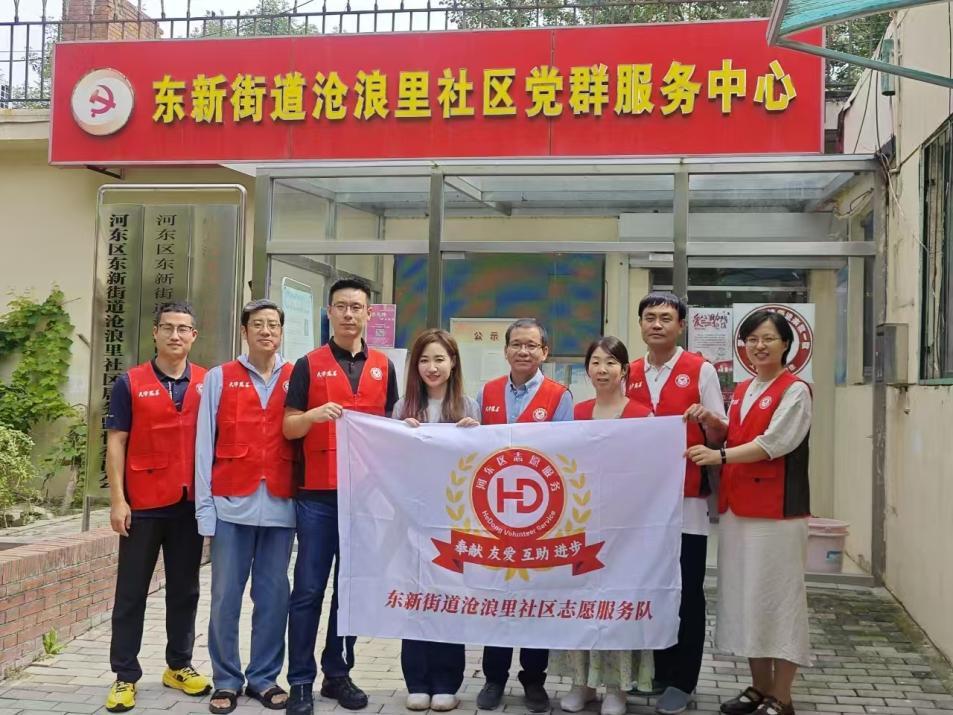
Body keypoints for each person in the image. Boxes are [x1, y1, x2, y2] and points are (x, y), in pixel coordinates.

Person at [685, 310, 812, 715]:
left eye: (768, 338)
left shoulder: (795, 391)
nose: (759, 346)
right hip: (738, 508)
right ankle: (759, 687)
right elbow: (740, 435)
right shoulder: (744, 388)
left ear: (786, 344)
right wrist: (714, 422)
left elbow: (774, 443)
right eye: (752, 339)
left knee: (780, 600)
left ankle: (783, 696)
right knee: (748, 599)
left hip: (777, 513)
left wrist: (719, 455)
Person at [283, 277, 400, 715]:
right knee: (308, 589)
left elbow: (391, 428)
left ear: (369, 313)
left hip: (364, 498)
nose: (349, 314)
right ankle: (300, 680)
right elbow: (288, 426)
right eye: (341, 306)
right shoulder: (307, 365)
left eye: (357, 307)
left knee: (349, 590)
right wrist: (312, 415)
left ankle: (338, 673)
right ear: (329, 312)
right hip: (317, 496)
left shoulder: (384, 367)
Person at [103, 301, 211, 713]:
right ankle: (124, 675)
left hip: (189, 504)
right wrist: (118, 500)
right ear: (155, 332)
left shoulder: (207, 381)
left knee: (185, 590)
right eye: (168, 327)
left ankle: (178, 665)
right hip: (144, 504)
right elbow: (116, 442)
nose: (175, 335)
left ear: (194, 336)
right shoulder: (130, 382)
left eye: (183, 329)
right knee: (131, 592)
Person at [625, 292, 728, 715]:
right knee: (651, 587)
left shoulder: (699, 369)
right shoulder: (629, 371)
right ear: (640, 324)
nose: (657, 324)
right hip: (639, 504)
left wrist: (708, 419)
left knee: (687, 592)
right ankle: (658, 672)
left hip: (686, 500)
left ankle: (683, 681)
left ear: (681, 326)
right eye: (650, 317)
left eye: (666, 318)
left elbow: (721, 435)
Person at [194, 299, 296, 714]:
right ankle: (226, 679)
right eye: (258, 324)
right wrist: (205, 509)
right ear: (244, 330)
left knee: (273, 597)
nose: (266, 331)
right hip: (230, 504)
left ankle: (264, 678)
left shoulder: (297, 376)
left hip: (282, 506)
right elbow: (204, 444)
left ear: (282, 332)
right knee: (225, 597)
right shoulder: (220, 377)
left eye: (273, 325)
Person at [475, 317, 573, 713]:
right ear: (505, 350)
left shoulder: (558, 396)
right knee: (497, 596)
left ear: (544, 352)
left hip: (540, 514)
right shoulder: (487, 392)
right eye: (516, 344)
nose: (523, 351)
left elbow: (566, 455)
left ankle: (534, 679)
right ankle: (493, 678)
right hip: (495, 513)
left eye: (532, 345)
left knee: (536, 597)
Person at [552, 336, 652, 715]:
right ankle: (582, 682)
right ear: (587, 369)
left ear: (624, 370)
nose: (602, 370)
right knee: (580, 603)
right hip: (580, 526)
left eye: (611, 363)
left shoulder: (642, 415)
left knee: (616, 604)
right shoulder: (576, 413)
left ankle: (616, 687)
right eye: (595, 362)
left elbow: (649, 473)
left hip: (624, 529)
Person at [393, 329, 481, 713]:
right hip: (412, 519)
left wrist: (474, 436)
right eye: (425, 360)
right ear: (415, 366)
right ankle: (416, 680)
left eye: (439, 359)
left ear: (453, 363)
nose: (432, 367)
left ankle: (447, 681)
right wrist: (401, 437)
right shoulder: (402, 407)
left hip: (454, 521)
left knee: (449, 599)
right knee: (415, 597)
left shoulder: (468, 406)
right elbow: (390, 463)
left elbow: (479, 466)